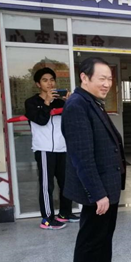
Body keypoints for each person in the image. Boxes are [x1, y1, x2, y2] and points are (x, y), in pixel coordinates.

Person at [62, 57, 131, 262]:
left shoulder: (92, 102)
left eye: (109, 79)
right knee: (90, 238)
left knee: (104, 233)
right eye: (102, 78)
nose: (107, 84)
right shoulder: (77, 106)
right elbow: (82, 156)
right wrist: (97, 193)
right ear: (84, 77)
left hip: (107, 184)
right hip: (97, 189)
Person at [24, 67, 77, 230]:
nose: (50, 83)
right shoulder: (31, 103)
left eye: (52, 80)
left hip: (63, 148)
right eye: (45, 80)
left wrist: (70, 103)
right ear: (38, 84)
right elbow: (41, 120)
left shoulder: (60, 102)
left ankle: (65, 214)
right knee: (47, 185)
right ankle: (47, 219)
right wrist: (46, 103)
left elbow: (73, 121)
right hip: (44, 149)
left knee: (66, 183)